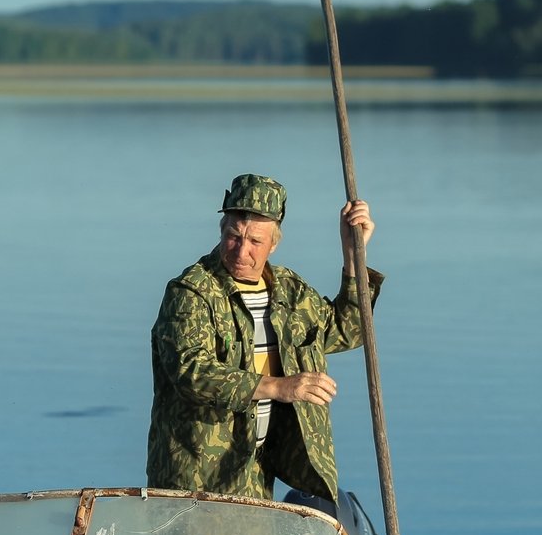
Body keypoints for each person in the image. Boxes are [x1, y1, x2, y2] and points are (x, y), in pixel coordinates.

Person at [147, 173, 380, 505]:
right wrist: (281, 387)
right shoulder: (190, 292)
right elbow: (192, 373)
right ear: (222, 230)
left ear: (274, 243)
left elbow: (347, 330)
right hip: (197, 477)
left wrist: (353, 255)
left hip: (257, 470)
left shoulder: (289, 290)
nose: (242, 251)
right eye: (233, 236)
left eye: (255, 241)